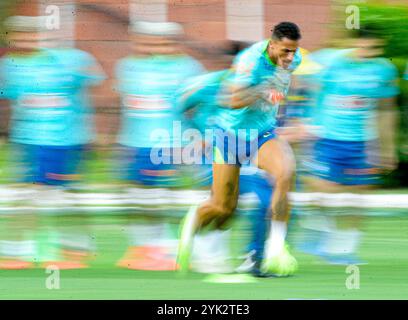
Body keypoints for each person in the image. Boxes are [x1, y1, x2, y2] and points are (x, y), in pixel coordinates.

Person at [178, 22, 302, 276]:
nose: (290, 57)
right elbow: (232, 100)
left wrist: (282, 107)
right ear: (273, 43)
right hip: (229, 137)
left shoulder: (294, 58)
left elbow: (283, 90)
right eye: (285, 51)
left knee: (285, 173)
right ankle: (193, 221)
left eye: (294, 51)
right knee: (223, 207)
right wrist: (262, 89)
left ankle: (275, 248)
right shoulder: (249, 61)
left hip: (262, 134)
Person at [0, 15, 105, 269]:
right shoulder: (8, 65)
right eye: (19, 35)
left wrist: (89, 128)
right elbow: (10, 98)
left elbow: (95, 81)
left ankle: (77, 251)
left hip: (65, 141)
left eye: (31, 34)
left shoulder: (69, 60)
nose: (25, 40)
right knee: (27, 194)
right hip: (27, 140)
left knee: (62, 196)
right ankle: (17, 252)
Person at [299, 27, 400, 264]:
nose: (368, 51)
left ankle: (344, 248)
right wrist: (307, 124)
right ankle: (317, 230)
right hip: (328, 138)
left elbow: (386, 108)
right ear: (351, 43)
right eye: (363, 45)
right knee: (324, 189)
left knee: (359, 195)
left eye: (374, 48)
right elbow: (306, 91)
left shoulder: (383, 70)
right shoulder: (328, 62)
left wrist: (388, 148)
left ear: (380, 48)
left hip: (362, 142)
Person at [113, 21, 206, 270]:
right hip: (134, 142)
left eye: (162, 42)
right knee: (138, 196)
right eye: (146, 41)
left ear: (174, 43)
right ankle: (148, 248)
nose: (153, 46)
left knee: (167, 195)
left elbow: (198, 106)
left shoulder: (189, 68)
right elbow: (127, 104)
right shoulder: (127, 66)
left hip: (174, 142)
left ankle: (175, 248)